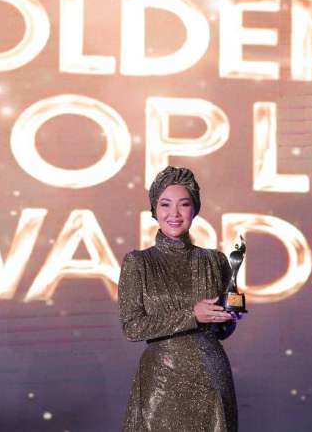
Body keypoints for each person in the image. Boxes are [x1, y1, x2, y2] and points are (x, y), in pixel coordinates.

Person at [118, 166, 239, 431]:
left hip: (211, 376)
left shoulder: (215, 260)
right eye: (165, 204)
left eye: (183, 204)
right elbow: (132, 327)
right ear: (154, 209)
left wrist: (230, 315)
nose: (174, 214)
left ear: (194, 209)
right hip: (162, 382)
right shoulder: (138, 262)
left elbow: (223, 331)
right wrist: (192, 315)